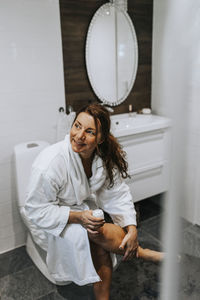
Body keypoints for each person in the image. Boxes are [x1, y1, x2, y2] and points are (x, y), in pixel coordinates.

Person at [24, 103, 163, 300]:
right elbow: (36, 210)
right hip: (53, 217)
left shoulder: (102, 157)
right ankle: (141, 253)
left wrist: (132, 229)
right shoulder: (51, 163)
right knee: (95, 235)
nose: (79, 135)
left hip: (80, 209)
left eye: (89, 131)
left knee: (96, 235)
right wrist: (77, 217)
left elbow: (118, 193)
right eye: (77, 126)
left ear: (101, 138)